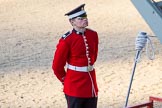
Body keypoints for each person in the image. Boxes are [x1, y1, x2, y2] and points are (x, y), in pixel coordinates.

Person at [52, 4, 99, 108]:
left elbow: (94, 56)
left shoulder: (93, 35)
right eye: (80, 19)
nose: (85, 20)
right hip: (74, 85)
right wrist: (65, 80)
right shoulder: (67, 40)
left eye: (85, 17)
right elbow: (57, 66)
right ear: (72, 22)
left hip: (90, 83)